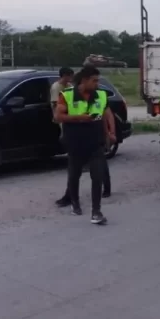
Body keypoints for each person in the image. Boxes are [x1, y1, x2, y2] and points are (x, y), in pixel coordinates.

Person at [53, 65, 113, 225]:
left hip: (96, 142)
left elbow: (107, 114)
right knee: (74, 175)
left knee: (97, 176)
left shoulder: (100, 95)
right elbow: (58, 116)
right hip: (75, 142)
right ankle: (75, 203)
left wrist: (110, 133)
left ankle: (96, 211)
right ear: (84, 80)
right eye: (94, 81)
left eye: (98, 80)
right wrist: (79, 117)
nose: (97, 84)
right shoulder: (66, 95)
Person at [50, 67, 74, 140]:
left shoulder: (70, 86)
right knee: (65, 134)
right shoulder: (56, 87)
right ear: (64, 76)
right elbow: (55, 103)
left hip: (70, 113)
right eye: (70, 76)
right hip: (60, 115)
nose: (71, 78)